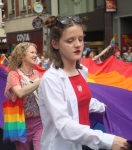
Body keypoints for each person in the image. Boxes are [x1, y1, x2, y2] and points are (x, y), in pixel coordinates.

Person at [38, 15, 130, 150]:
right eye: (70, 41)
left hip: (82, 143)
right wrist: (107, 141)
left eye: (80, 39)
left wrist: (107, 107)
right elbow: (64, 125)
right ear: (55, 44)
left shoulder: (82, 71)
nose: (78, 45)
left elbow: (80, 101)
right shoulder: (51, 80)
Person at [4, 42, 43, 150]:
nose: (35, 55)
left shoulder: (38, 73)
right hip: (20, 122)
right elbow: (20, 92)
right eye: (32, 52)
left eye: (36, 52)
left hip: (39, 122)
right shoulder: (13, 74)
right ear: (21, 55)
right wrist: (40, 81)